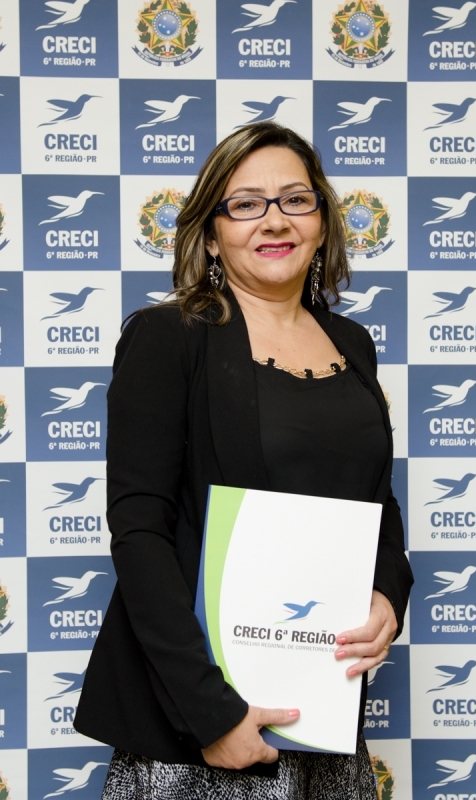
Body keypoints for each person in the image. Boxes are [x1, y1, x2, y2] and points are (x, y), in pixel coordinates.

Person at [75, 121, 413, 800]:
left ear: (322, 221)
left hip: (324, 709)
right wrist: (213, 713)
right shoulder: (168, 337)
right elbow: (140, 531)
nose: (275, 220)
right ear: (210, 233)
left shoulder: (352, 342)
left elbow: (374, 500)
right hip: (204, 724)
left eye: (296, 199)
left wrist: (388, 592)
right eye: (246, 203)